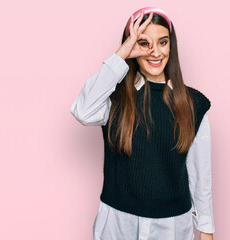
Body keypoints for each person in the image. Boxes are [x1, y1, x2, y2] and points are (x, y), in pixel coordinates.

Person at [71, 7, 215, 240]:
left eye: (163, 42)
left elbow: (201, 174)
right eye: (144, 43)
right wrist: (121, 55)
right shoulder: (114, 98)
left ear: (172, 46)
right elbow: (83, 111)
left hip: (173, 226)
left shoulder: (193, 104)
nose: (155, 52)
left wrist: (206, 229)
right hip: (117, 223)